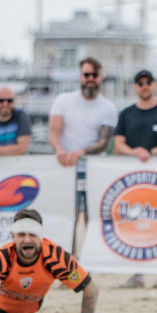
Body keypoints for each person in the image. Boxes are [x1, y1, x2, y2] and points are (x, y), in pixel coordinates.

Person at [113, 70, 157, 289]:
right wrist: (136, 153)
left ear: (154, 85)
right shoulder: (126, 114)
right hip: (135, 181)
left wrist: (152, 153)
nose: (144, 86)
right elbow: (118, 144)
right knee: (136, 225)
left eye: (148, 82)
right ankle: (138, 275)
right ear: (135, 87)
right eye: (140, 82)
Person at [48, 57, 118, 251]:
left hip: (93, 170)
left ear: (100, 77)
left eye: (94, 75)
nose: (90, 79)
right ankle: (67, 260)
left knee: (91, 216)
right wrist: (61, 151)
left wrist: (80, 153)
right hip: (66, 168)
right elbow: (54, 132)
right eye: (87, 75)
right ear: (80, 76)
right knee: (68, 216)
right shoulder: (62, 101)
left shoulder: (108, 107)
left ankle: (89, 259)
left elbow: (104, 142)